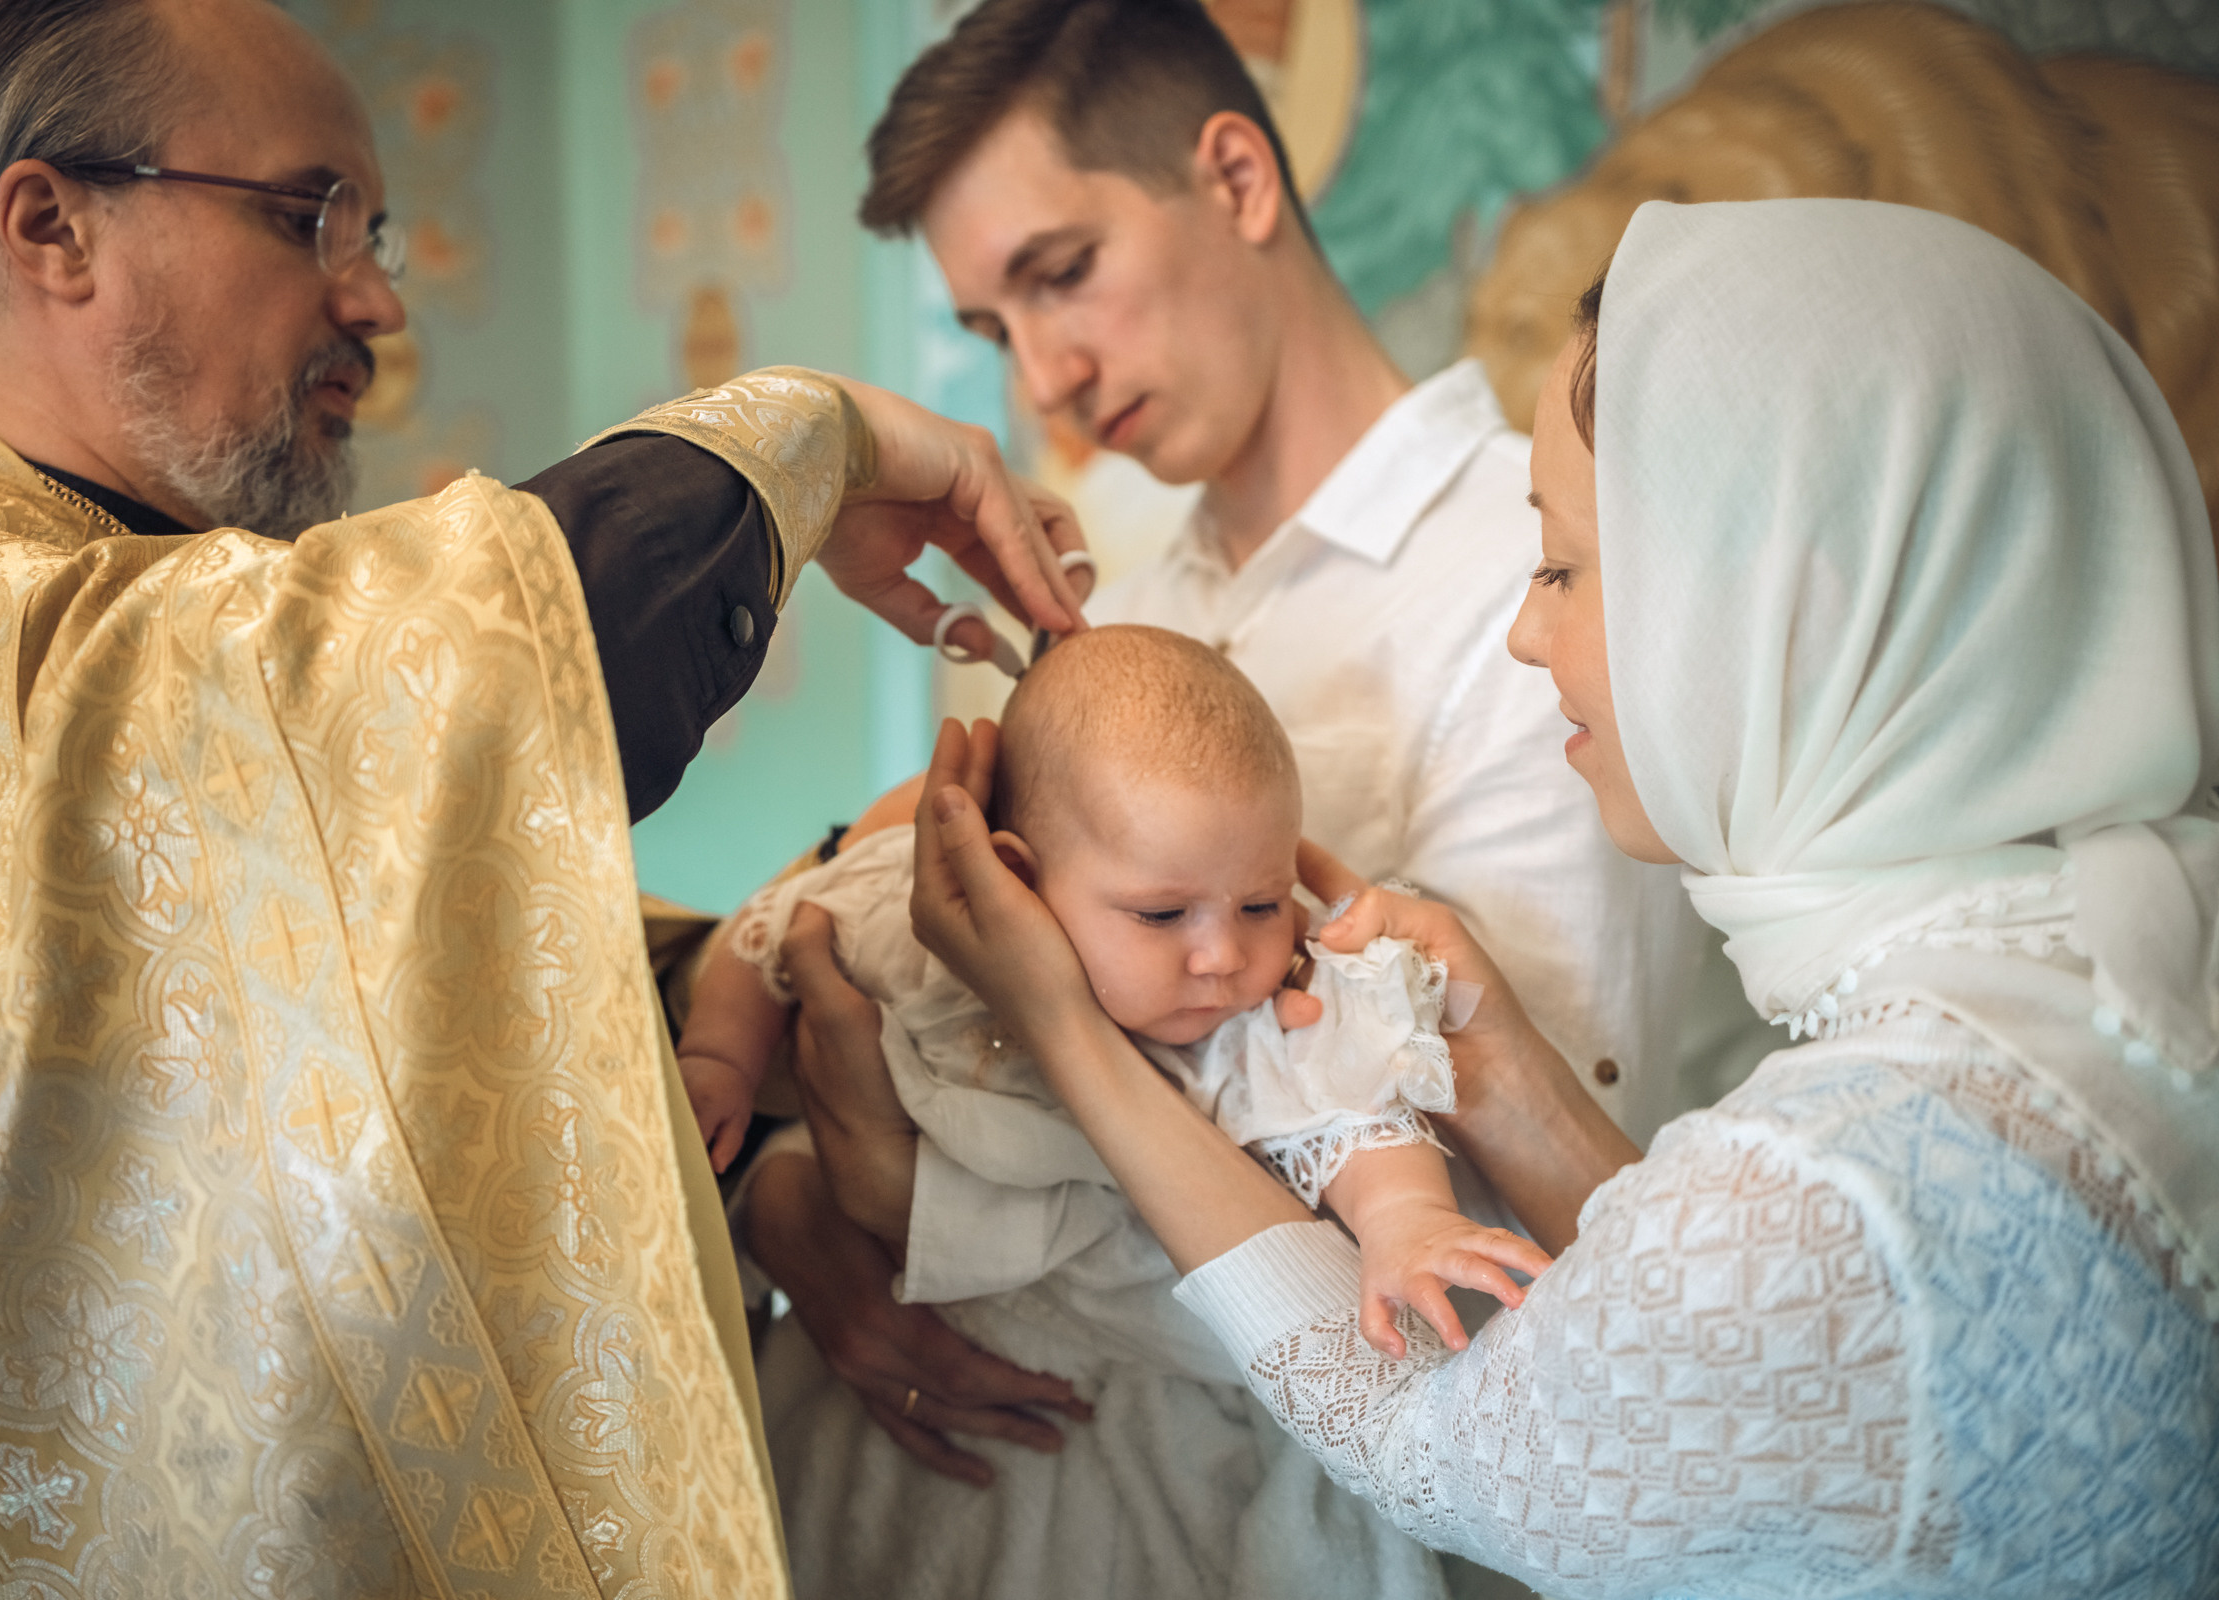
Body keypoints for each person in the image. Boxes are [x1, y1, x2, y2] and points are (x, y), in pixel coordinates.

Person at [0, 0, 1088, 1594]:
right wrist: (806, 434)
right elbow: (355, 694)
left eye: (380, 234)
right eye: (308, 220)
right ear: (52, 225)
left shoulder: (134, 609)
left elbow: (384, 989)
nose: (378, 303)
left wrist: (802, 940)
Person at [885, 198, 2219, 1595]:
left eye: (1566, 568)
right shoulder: (2125, 965)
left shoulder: (1830, 1191)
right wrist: (1508, 1074)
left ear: (1783, 605)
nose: (1526, 631)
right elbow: (1749, 1359)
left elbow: (1436, 1441)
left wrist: (1067, 1030)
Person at [740, 0, 1762, 1499]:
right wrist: (787, 1202)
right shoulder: (1113, 633)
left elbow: (1479, 1260)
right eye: (992, 330)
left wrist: (917, 1226)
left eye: (1062, 276)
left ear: (1236, 177)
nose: (1044, 381)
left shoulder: (1535, 582)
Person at [686, 625, 1545, 1597]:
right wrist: (718, 1054)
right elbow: (776, 931)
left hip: (1159, 1375)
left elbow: (1346, 1115)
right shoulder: (915, 931)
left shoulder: (1251, 1020)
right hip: (910, 1343)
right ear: (1014, 873)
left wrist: (1408, 1220)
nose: (1220, 956)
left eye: (1261, 905)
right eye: (1161, 914)